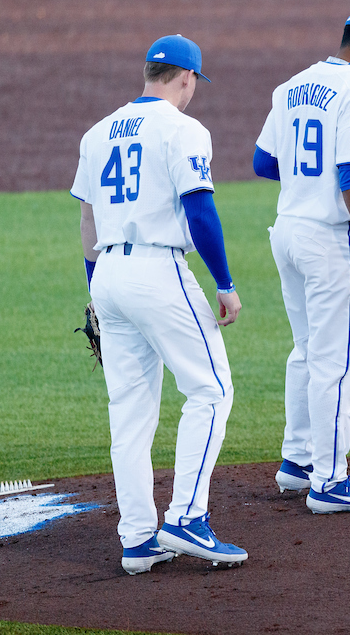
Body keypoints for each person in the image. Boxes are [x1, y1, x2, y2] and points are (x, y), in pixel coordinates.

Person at [71, 35, 247, 574]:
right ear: (187, 77)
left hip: (109, 272)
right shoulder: (183, 129)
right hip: (157, 270)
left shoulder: (98, 132)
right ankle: (188, 519)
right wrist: (224, 280)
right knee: (212, 390)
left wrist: (96, 290)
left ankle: (138, 540)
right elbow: (199, 211)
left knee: (129, 413)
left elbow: (86, 221)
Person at [253, 7, 350, 514]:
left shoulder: (290, 87)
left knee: (305, 351)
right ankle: (330, 482)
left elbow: (263, 162)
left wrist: (305, 181)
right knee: (339, 363)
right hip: (329, 240)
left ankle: (297, 463)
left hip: (288, 232)